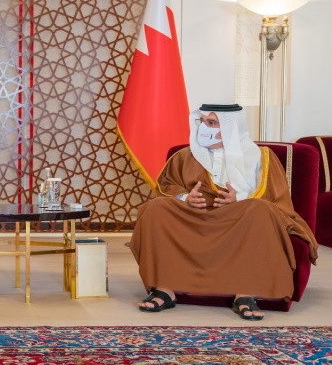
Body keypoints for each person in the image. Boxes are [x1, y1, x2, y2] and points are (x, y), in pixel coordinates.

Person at [130, 104, 318, 320]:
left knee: (260, 210)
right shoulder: (185, 155)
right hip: (194, 218)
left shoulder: (260, 157)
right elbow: (166, 186)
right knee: (156, 209)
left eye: (212, 123)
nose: (204, 128)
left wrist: (237, 199)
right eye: (202, 122)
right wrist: (186, 198)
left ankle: (245, 292)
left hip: (238, 220)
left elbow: (277, 200)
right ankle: (165, 288)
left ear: (231, 128)